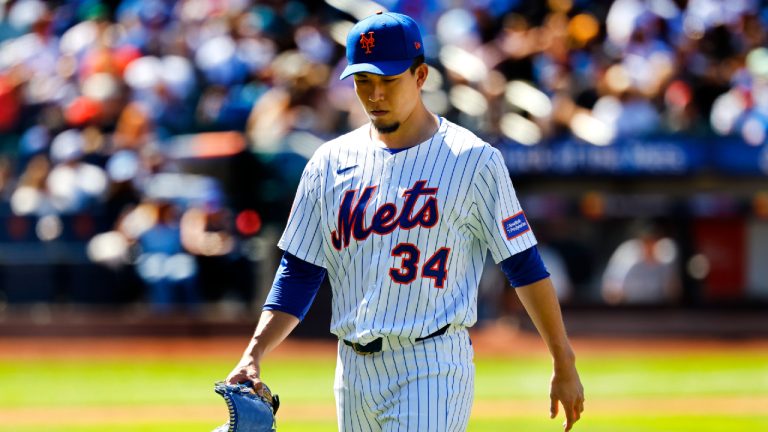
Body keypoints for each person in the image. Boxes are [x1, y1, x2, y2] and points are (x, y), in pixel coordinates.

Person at [225, 11, 584, 431]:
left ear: (420, 76)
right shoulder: (329, 162)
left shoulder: (473, 160)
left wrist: (563, 359)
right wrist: (254, 352)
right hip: (352, 370)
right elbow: (300, 270)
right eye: (363, 81)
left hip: (432, 363)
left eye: (388, 80)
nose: (375, 94)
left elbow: (522, 263)